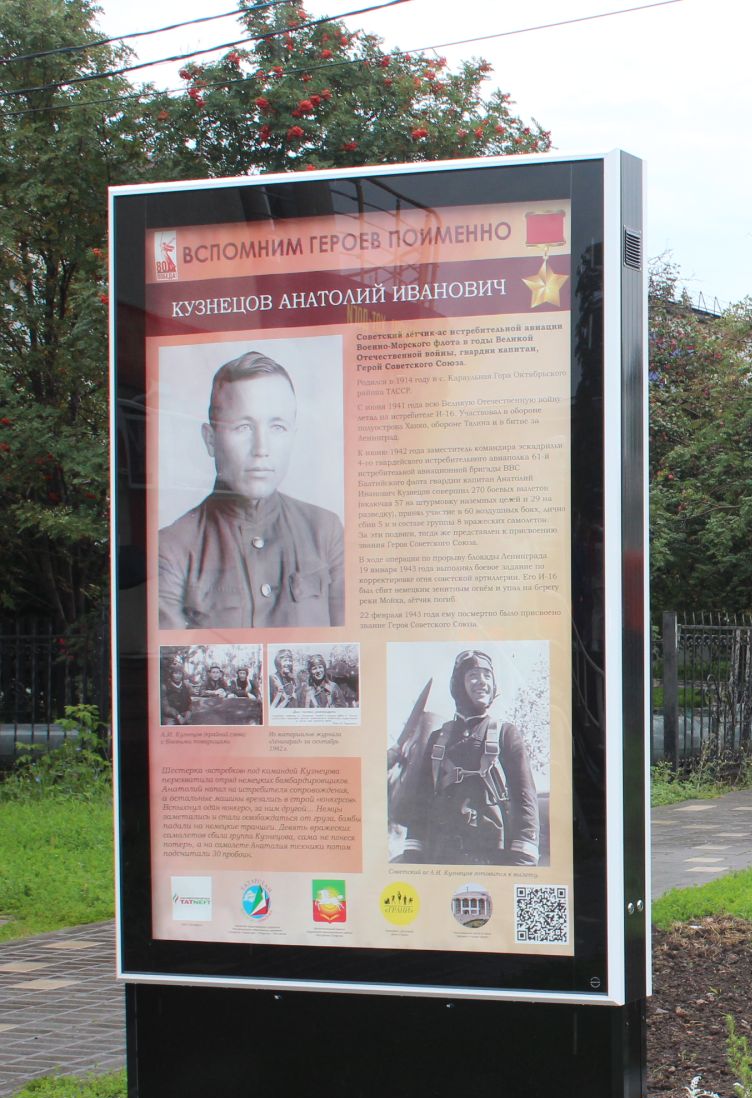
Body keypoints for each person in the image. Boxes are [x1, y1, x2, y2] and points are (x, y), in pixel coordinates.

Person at [157, 350, 345, 630]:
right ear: (210, 440)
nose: (262, 449)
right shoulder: (173, 547)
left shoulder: (324, 530)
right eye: (243, 427)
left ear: (293, 436)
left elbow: (354, 644)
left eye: (277, 427)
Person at [389, 650, 539, 866]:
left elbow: (526, 799)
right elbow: (421, 802)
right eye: (473, 675)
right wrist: (414, 852)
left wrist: (524, 855)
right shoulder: (437, 738)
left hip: (491, 858)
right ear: (459, 684)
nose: (482, 682)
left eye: (487, 676)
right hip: (441, 856)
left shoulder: (506, 734)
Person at [162, 658, 193, 725]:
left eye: (180, 674)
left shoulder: (186, 686)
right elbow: (165, 707)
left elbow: (190, 701)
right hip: (171, 717)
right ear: (171, 674)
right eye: (175, 673)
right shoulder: (165, 687)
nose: (178, 676)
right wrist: (178, 716)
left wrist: (189, 711)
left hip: (185, 714)